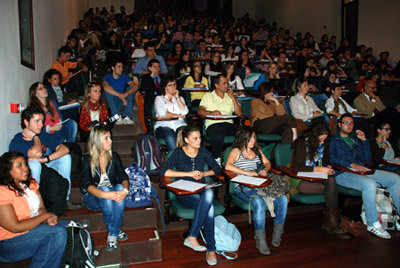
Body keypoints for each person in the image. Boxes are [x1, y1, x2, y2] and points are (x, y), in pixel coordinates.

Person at [330, 113, 400, 239]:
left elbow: (367, 158)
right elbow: (333, 159)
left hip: (362, 170)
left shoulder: (355, 140)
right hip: (343, 173)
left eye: (351, 123)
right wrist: (351, 164)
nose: (349, 125)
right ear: (339, 124)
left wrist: (363, 141)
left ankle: (398, 217)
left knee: (395, 179)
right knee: (370, 183)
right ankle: (372, 223)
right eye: (346, 122)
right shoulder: (333, 141)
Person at [161, 125, 220, 265]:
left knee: (209, 194)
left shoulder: (203, 151)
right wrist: (187, 174)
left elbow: (217, 168)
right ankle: (211, 249)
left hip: (201, 190)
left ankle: (193, 236)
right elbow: (164, 171)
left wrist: (204, 174)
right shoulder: (178, 153)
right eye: (195, 138)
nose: (199, 141)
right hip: (185, 193)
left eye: (200, 137)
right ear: (186, 140)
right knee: (210, 206)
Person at [225, 126, 288, 255]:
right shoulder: (236, 151)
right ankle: (260, 238)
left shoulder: (257, 151)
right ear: (243, 138)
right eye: (250, 138)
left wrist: (265, 169)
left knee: (282, 199)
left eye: (254, 137)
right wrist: (247, 173)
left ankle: (277, 232)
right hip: (243, 186)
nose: (253, 141)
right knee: (258, 202)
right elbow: (227, 166)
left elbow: (268, 163)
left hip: (258, 184)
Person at [0, 151, 67, 267]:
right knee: (57, 234)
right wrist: (44, 217)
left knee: (71, 227)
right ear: (7, 170)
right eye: (19, 165)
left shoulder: (30, 184)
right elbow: (15, 227)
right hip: (9, 241)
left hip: (32, 230)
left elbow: (41, 209)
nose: (25, 168)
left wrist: (48, 219)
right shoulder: (3, 191)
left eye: (25, 164)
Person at [9, 106, 80, 210]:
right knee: (34, 164)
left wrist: (47, 159)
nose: (41, 125)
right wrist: (35, 137)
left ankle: (64, 198)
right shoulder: (18, 140)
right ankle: (33, 203)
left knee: (66, 158)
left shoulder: (43, 135)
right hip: (26, 178)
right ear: (26, 122)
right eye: (37, 121)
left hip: (44, 170)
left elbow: (65, 149)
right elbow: (36, 153)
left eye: (42, 121)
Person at [290, 123, 350, 239]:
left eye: (324, 140)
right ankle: (333, 221)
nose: (322, 142)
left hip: (318, 178)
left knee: (331, 181)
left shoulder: (324, 144)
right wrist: (320, 169)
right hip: (301, 180)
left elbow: (326, 161)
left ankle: (332, 222)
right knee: (331, 190)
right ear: (313, 137)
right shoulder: (302, 143)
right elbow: (296, 167)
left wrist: (328, 168)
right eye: (320, 140)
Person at [81, 125, 130, 250]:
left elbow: (123, 177)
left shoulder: (114, 156)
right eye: (106, 138)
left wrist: (125, 191)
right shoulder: (87, 159)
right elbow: (87, 184)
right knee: (105, 189)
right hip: (92, 198)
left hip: (111, 197)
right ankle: (115, 230)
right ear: (97, 141)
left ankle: (113, 234)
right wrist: (104, 194)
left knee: (119, 187)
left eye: (110, 138)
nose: (111, 141)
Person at [198, 75, 242, 162]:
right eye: (224, 83)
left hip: (228, 124)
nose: (227, 85)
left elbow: (239, 113)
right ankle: (216, 160)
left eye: (227, 83)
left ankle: (241, 160)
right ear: (216, 85)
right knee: (218, 134)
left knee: (246, 132)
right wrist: (211, 112)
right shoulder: (208, 96)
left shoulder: (230, 96)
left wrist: (233, 97)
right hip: (213, 124)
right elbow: (200, 111)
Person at [154, 76, 188, 151]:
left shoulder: (180, 98)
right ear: (165, 87)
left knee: (185, 134)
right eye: (170, 85)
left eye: (174, 84)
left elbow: (185, 112)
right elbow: (162, 112)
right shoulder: (159, 99)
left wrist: (177, 98)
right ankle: (174, 159)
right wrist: (178, 115)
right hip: (164, 125)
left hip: (179, 124)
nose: (173, 87)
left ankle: (186, 158)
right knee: (170, 136)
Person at [103, 60, 138, 125]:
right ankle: (117, 116)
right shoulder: (108, 77)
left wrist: (126, 94)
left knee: (131, 89)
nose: (121, 69)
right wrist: (119, 95)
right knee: (107, 91)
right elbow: (105, 87)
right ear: (113, 68)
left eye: (122, 67)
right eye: (119, 67)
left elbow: (135, 86)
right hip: (113, 103)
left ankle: (127, 116)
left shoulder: (124, 76)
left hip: (123, 103)